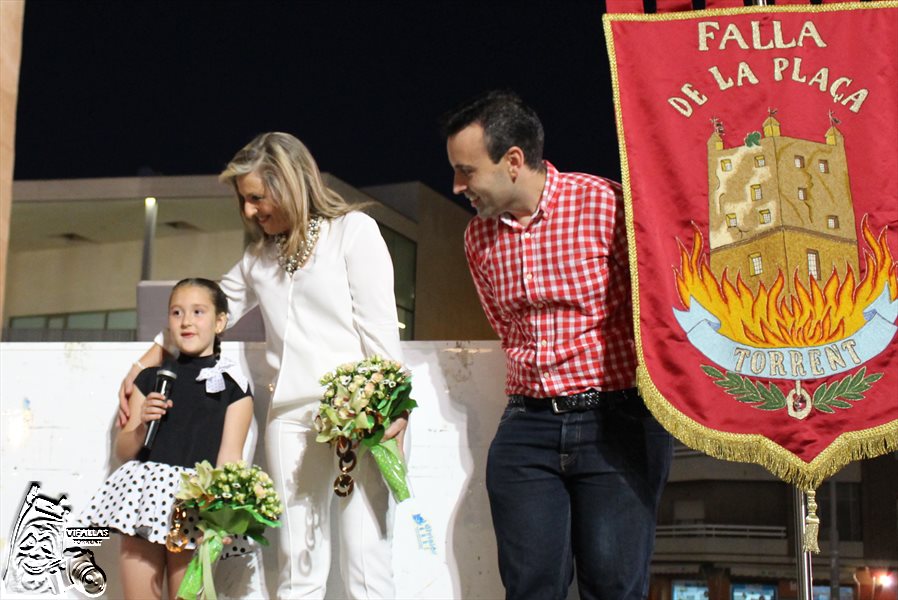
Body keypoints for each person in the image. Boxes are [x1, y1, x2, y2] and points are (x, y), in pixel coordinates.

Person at [118, 132, 405, 599]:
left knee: (366, 560)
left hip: (360, 416)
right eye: (244, 201)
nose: (250, 211)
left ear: (290, 182)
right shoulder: (257, 258)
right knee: (298, 565)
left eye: (256, 197)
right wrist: (146, 360)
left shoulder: (353, 232)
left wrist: (393, 412)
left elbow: (380, 333)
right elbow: (203, 310)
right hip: (290, 420)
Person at [441, 91, 672, 600]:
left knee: (614, 586)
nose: (458, 186)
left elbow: (656, 311)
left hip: (616, 424)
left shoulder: (607, 205)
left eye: (467, 171)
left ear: (514, 162)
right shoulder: (477, 238)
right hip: (527, 428)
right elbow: (506, 326)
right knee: (530, 588)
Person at [81, 278, 254, 600]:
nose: (186, 321)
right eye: (177, 312)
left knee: (187, 595)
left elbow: (230, 458)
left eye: (198, 312)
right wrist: (142, 422)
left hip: (195, 503)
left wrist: (221, 516)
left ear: (220, 321)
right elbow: (124, 450)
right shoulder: (150, 378)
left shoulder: (234, 386)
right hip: (145, 499)